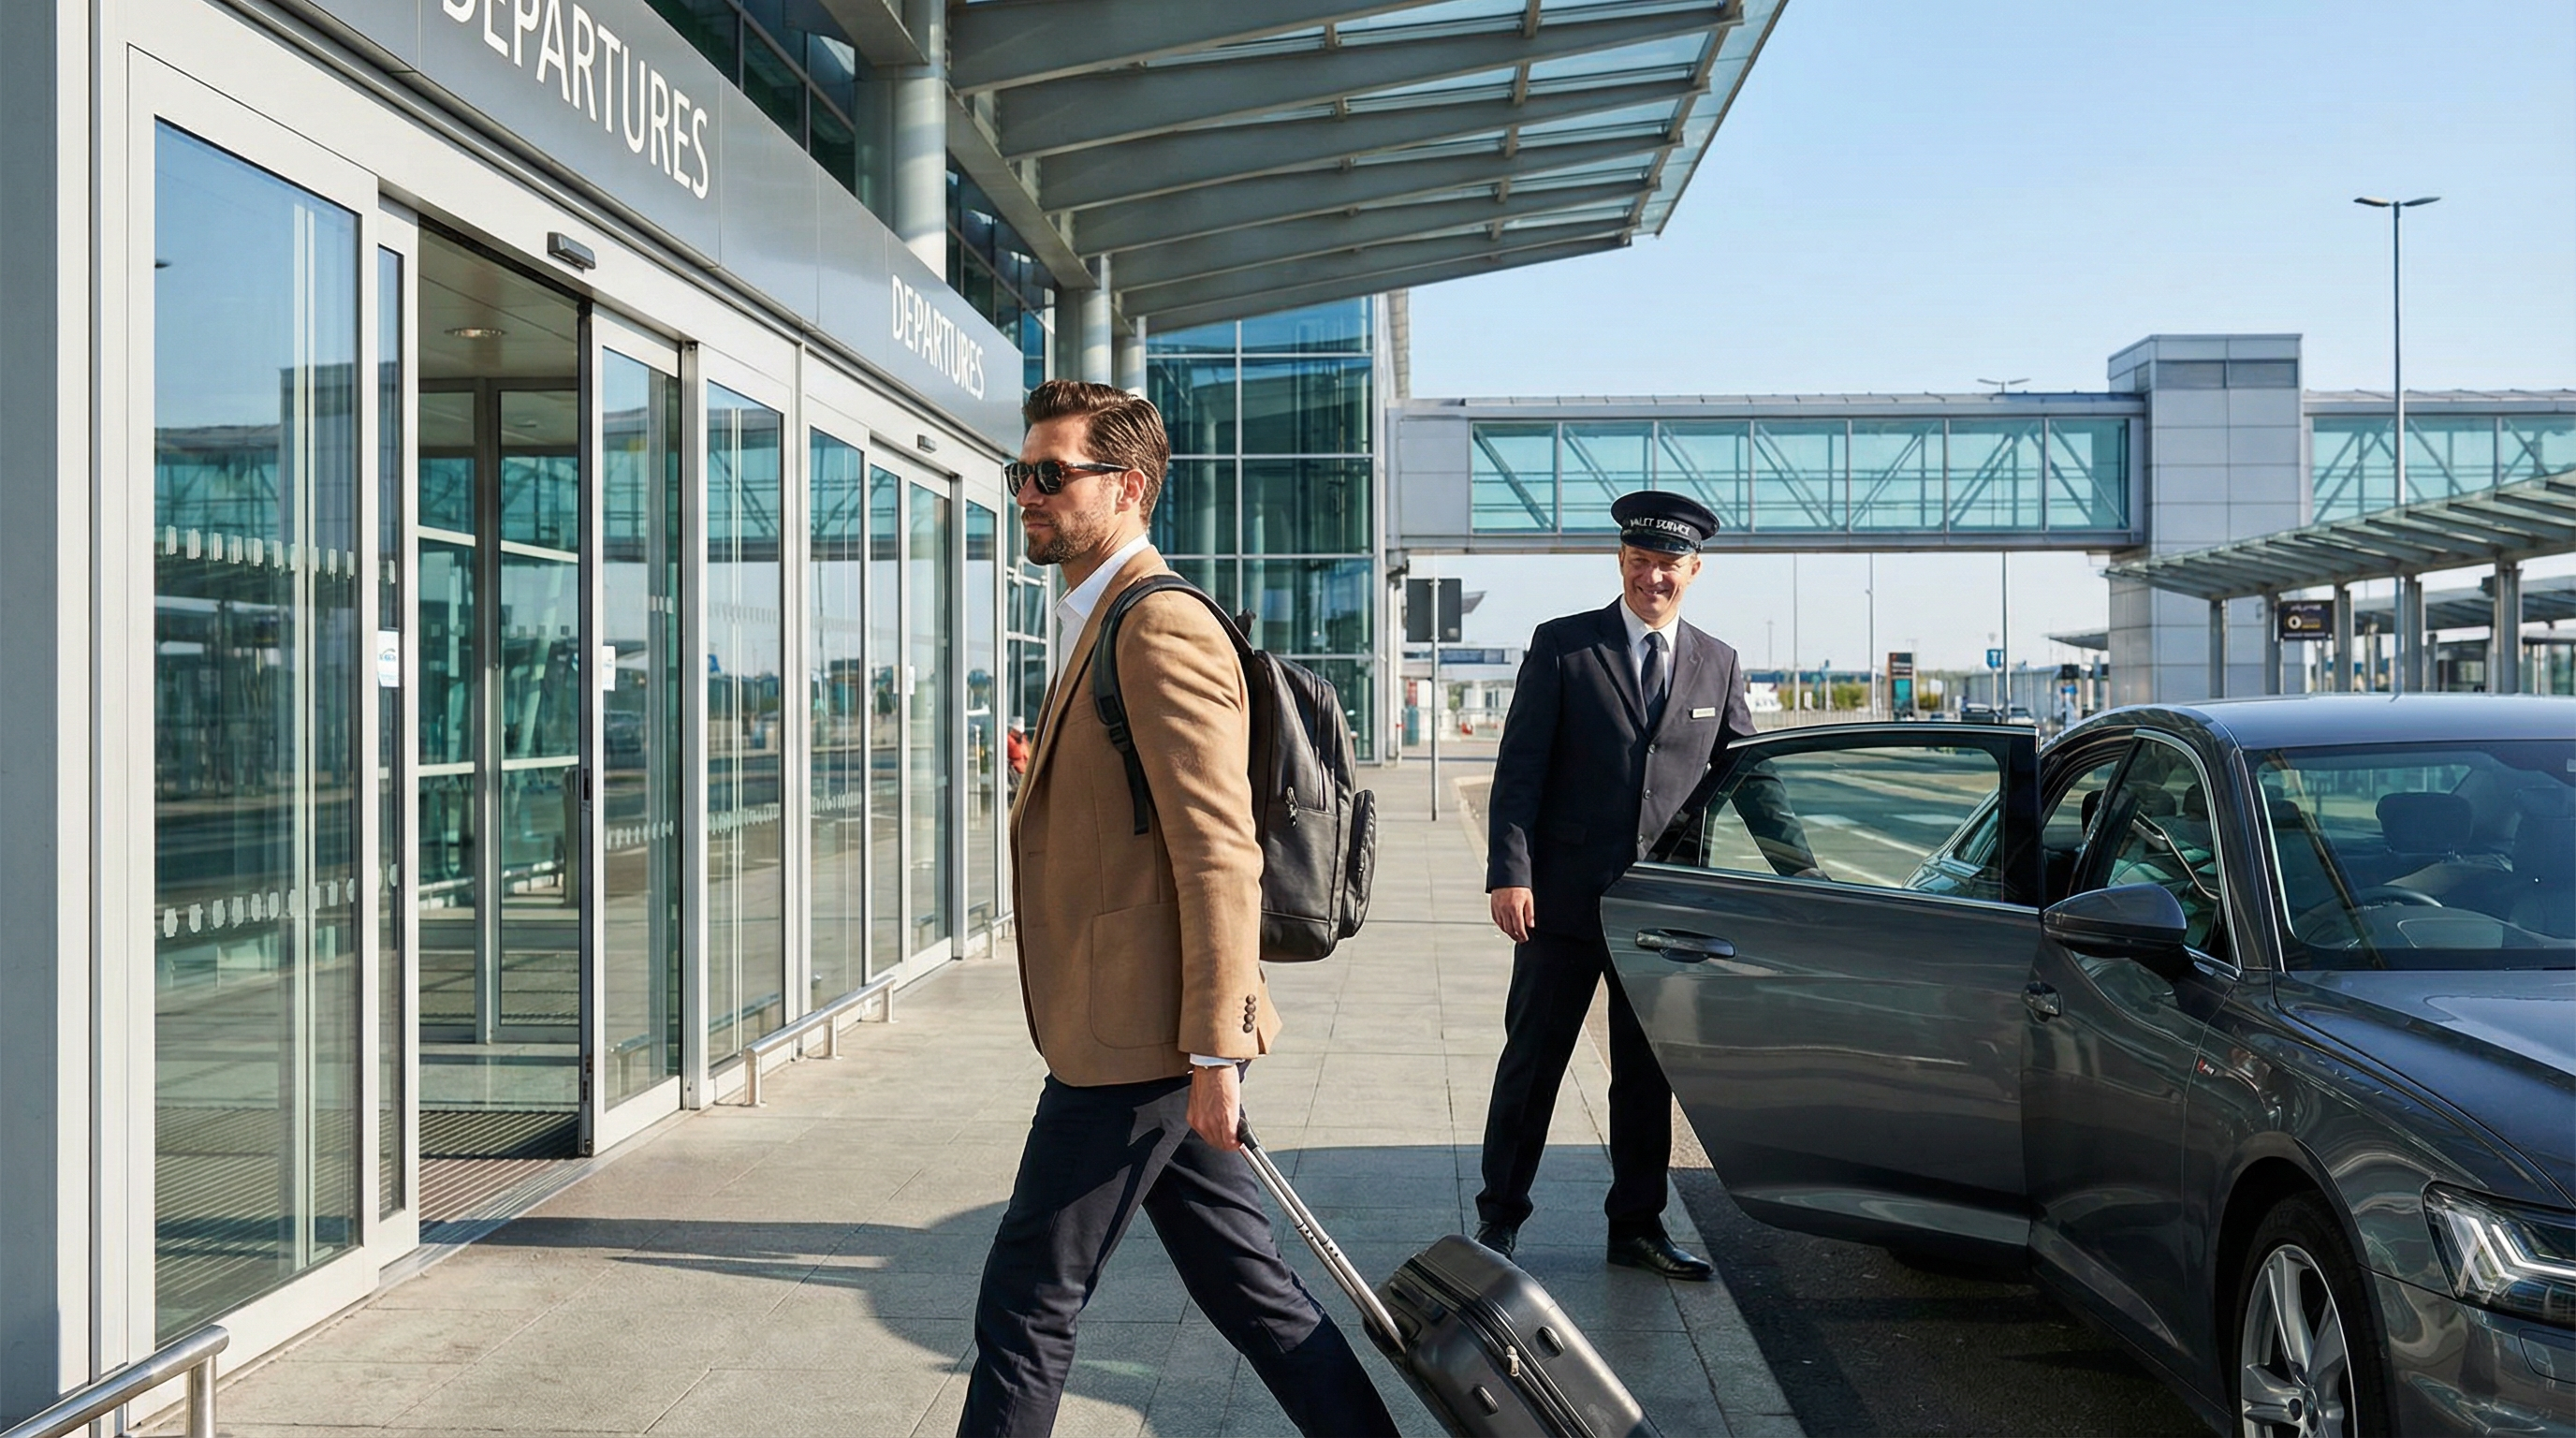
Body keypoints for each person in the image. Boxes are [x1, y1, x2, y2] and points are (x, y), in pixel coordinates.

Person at [961, 380, 1397, 1438]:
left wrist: (1213, 1054)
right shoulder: (1102, 618)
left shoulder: (1157, 628)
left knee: (1029, 1298)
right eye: (1023, 472)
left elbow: (1218, 852)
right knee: (1248, 1291)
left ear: (1130, 487)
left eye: (1052, 474)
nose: (1029, 492)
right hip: (1145, 1032)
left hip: (1143, 1042)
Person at [1474, 490, 1754, 1281]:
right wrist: (1509, 874)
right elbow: (1520, 771)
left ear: (1694, 571)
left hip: (1658, 913)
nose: (1652, 577)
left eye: (1668, 564)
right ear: (1621, 561)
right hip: (1559, 902)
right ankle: (1499, 1223)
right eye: (1639, 561)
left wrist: (1807, 878)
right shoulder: (1563, 646)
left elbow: (1745, 782)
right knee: (1533, 1065)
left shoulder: (1717, 660)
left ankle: (1637, 1224)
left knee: (1646, 1076)